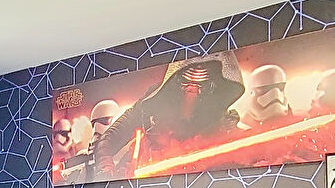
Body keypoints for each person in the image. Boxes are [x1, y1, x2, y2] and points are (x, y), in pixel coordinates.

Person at [90, 57, 245, 175]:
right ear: (175, 82)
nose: (191, 91)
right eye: (185, 84)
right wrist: (105, 167)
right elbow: (112, 135)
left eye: (200, 86)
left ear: (212, 87)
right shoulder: (150, 105)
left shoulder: (221, 121)